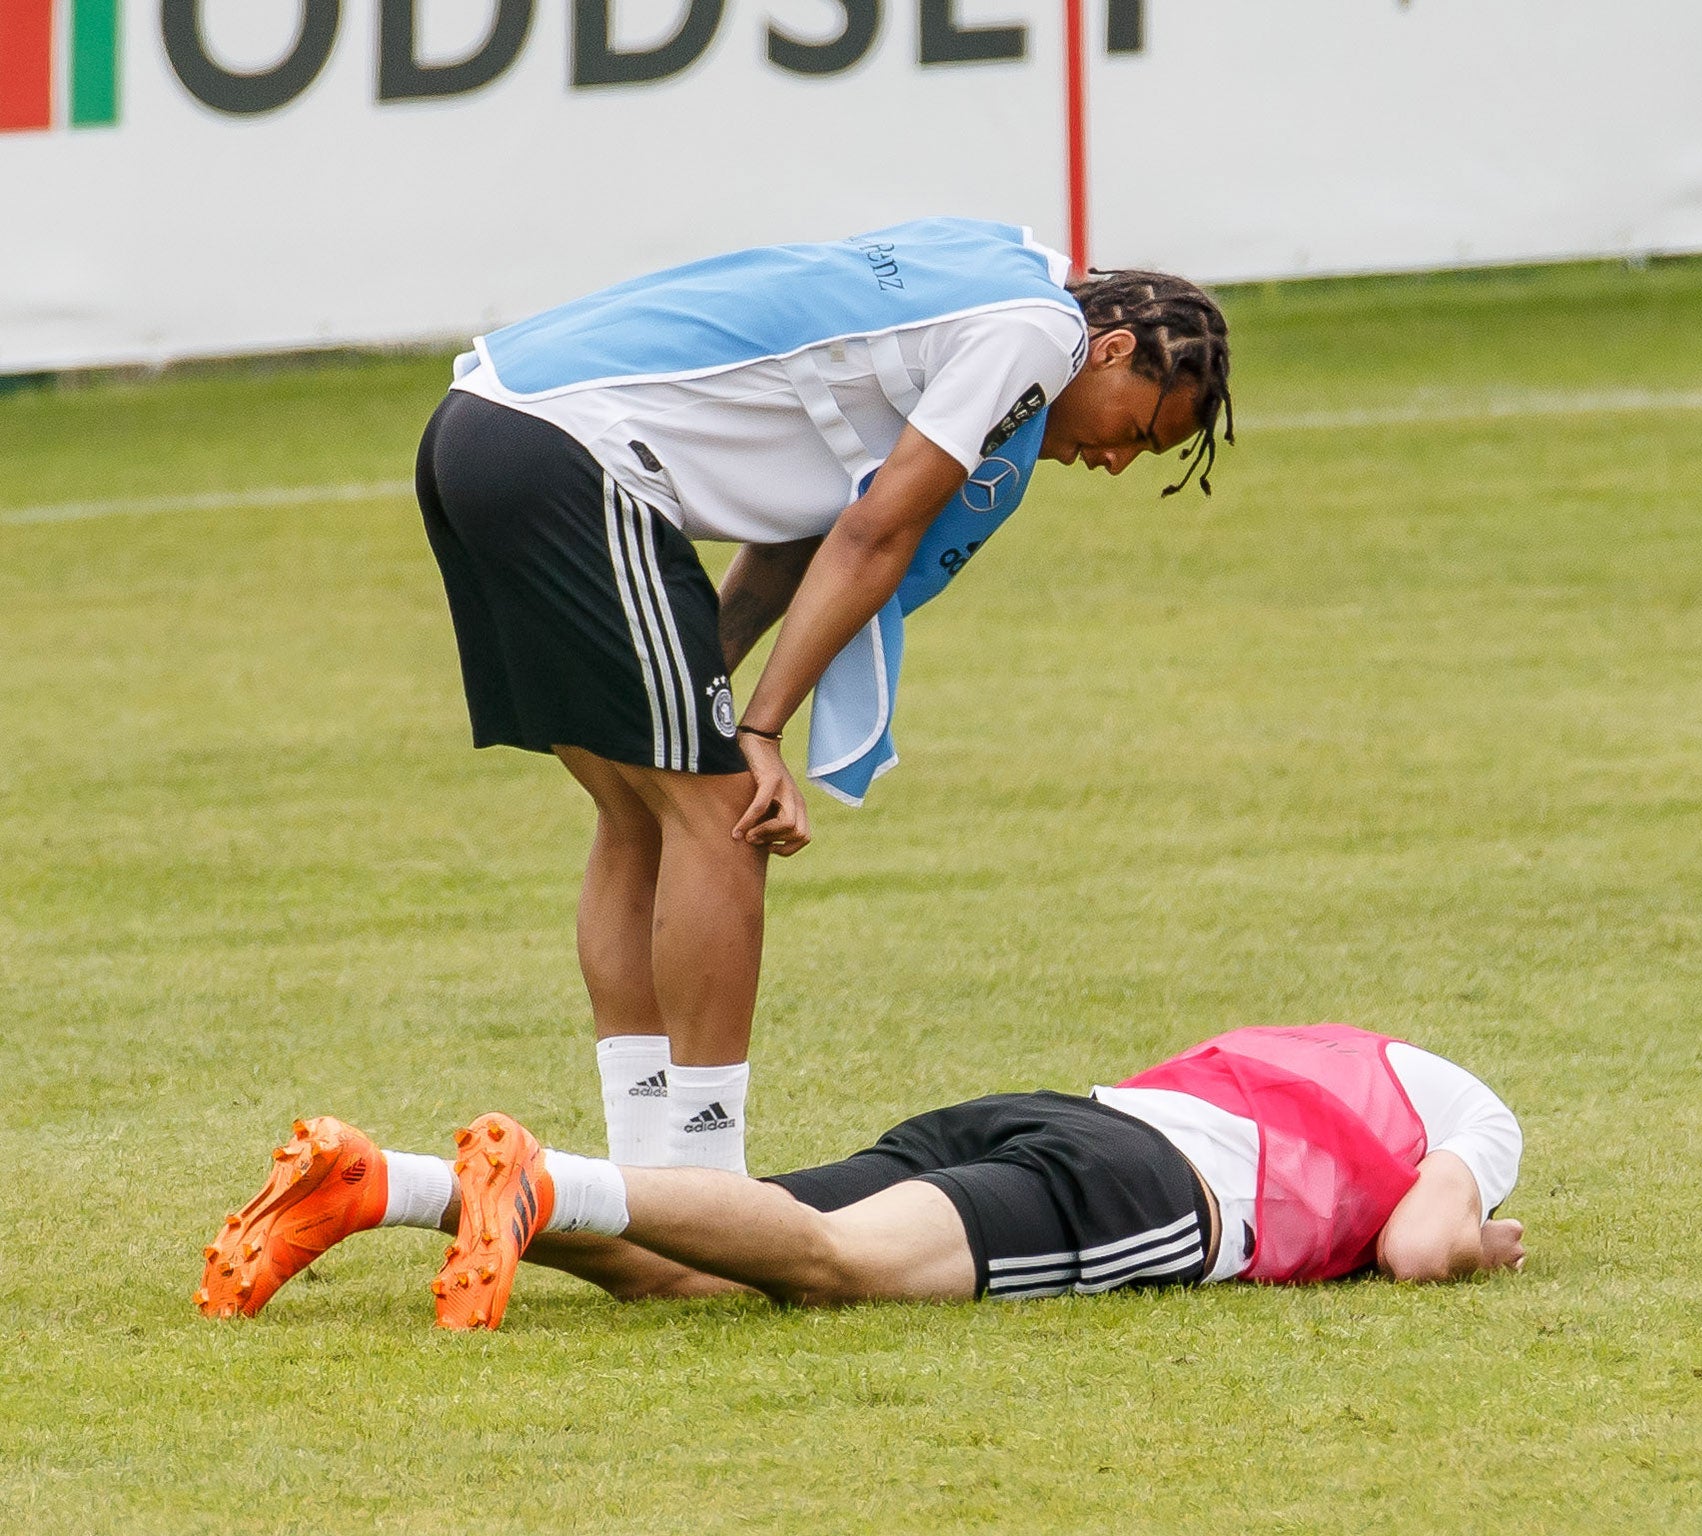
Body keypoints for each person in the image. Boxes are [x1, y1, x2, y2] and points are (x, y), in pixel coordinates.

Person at [412, 217, 1234, 1176]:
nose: (1115, 462)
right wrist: (755, 731)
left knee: (642, 812)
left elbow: (808, 528)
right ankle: (706, 1186)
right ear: (1115, 349)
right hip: (571, 453)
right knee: (728, 816)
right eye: (1136, 429)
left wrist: (713, 690)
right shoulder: (1037, 332)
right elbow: (873, 537)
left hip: (477, 430)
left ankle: (642, 1178)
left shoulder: (989, 267)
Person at [194, 1024, 1524, 1329]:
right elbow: (1417, 1246)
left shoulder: (1326, 1050)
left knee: (689, 1269)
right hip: (1148, 1189)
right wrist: (1487, 1238)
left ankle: (390, 1185)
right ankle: (535, 1182)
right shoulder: (1472, 1107)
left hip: (1035, 1109)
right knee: (842, 1274)